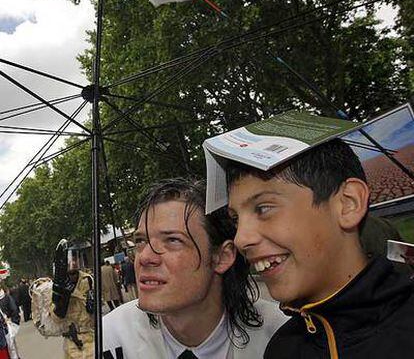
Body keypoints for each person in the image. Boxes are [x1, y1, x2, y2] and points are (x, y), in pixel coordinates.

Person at [224, 138, 414, 359]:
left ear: (348, 203)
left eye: (263, 208)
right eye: (236, 220)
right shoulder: (281, 350)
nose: (240, 238)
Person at [103, 178, 287, 359]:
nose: (144, 257)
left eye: (173, 240)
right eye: (141, 241)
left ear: (223, 257)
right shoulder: (110, 337)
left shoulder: (286, 338)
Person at [51, 240, 94, 359]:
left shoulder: (88, 280)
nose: (73, 262)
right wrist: (63, 301)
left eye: (75, 258)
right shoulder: (58, 285)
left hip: (92, 336)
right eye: (70, 258)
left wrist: (92, 304)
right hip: (73, 342)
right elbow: (55, 318)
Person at [0, 285, 19, 359]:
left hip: (7, 328)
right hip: (4, 330)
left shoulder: (6, 297)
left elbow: (14, 311)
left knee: (12, 351)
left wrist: (13, 325)